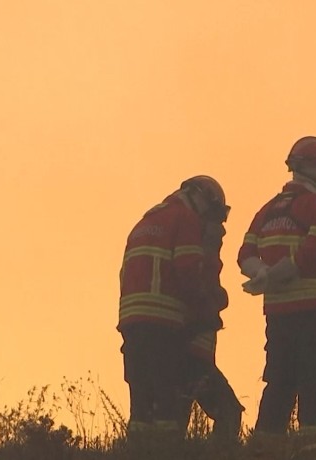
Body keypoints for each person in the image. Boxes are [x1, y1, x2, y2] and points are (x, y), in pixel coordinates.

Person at [237, 136, 316, 444]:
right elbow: (312, 250)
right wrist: (277, 275)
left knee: (279, 383)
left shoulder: (267, 209)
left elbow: (244, 253)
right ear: (311, 168)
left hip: (277, 316)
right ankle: (312, 448)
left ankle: (264, 449)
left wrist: (263, 275)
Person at [117, 175, 234, 443]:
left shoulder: (144, 222)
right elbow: (188, 269)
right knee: (169, 411)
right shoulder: (185, 219)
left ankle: (139, 453)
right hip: (165, 325)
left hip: (132, 325)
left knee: (142, 413)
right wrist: (208, 304)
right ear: (200, 198)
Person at [176, 220, 244, 442]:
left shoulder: (199, 256)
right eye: (217, 221)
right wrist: (217, 298)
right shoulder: (197, 258)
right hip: (192, 358)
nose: (223, 230)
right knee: (228, 411)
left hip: (193, 356)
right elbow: (197, 294)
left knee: (175, 420)